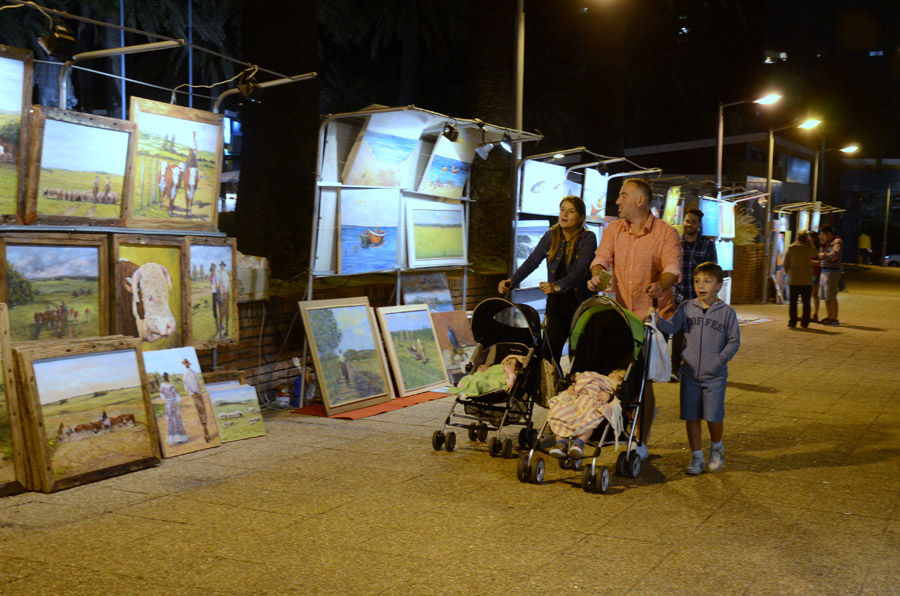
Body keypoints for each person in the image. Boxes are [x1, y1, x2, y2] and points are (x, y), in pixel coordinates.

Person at [586, 178, 682, 460]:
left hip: (653, 317)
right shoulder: (614, 229)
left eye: (623, 195)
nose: (617, 201)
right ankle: (604, 425)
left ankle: (641, 440)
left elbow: (672, 268)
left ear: (640, 200)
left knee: (643, 381)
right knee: (614, 374)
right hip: (621, 316)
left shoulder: (666, 233)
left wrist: (661, 286)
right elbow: (601, 257)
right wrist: (597, 274)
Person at [653, 262, 740, 474]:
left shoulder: (727, 313)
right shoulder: (686, 308)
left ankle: (717, 446)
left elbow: (733, 342)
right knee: (691, 415)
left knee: (713, 416)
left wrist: (719, 360)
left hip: (715, 377)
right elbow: (672, 327)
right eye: (697, 281)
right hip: (690, 373)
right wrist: (656, 319)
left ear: (719, 285)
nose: (701, 286)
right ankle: (696, 457)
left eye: (708, 282)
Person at [498, 196, 597, 364]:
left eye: (571, 211)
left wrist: (556, 286)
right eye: (562, 209)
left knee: (580, 353)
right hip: (557, 303)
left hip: (580, 302)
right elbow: (532, 261)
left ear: (580, 217)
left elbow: (581, 270)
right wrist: (512, 282)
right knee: (549, 352)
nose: (564, 214)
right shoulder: (551, 235)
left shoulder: (587, 238)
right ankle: (550, 387)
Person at [671, 207, 717, 380]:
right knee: (678, 333)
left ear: (699, 225)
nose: (689, 224)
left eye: (693, 222)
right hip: (680, 294)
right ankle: (675, 369)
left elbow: (713, 270)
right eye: (687, 220)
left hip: (699, 296)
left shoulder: (707, 244)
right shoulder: (675, 243)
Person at [783, 231, 818, 328]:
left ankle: (792, 322)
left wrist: (789, 272)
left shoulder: (791, 248)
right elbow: (816, 253)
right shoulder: (809, 248)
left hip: (793, 278)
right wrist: (810, 243)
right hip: (806, 278)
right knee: (806, 302)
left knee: (793, 302)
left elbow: (785, 263)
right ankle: (805, 322)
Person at [447, 355, 523, 396]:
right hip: (484, 377)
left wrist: (506, 386)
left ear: (515, 369)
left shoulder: (511, 374)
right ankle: (462, 386)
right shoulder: (496, 367)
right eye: (507, 361)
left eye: (510, 363)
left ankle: (468, 391)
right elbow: (488, 372)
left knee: (478, 381)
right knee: (469, 377)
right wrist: (484, 369)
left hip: (490, 383)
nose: (507, 363)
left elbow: (508, 383)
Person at [818, 224, 843, 326]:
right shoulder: (826, 243)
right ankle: (829, 316)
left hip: (833, 271)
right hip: (824, 271)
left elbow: (835, 254)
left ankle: (834, 318)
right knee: (826, 296)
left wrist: (823, 255)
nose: (822, 236)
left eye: (823, 234)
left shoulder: (837, 241)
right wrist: (823, 245)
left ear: (829, 233)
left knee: (831, 295)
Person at [182, 358, 210, 443]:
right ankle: (206, 431)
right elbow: (199, 384)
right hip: (198, 394)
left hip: (194, 395)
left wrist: (192, 392)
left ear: (185, 365)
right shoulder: (194, 373)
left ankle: (205, 431)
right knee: (203, 411)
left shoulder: (185, 375)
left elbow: (186, 386)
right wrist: (197, 391)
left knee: (200, 412)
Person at [159, 372, 189, 445]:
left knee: (171, 420)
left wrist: (166, 399)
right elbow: (176, 395)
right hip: (173, 403)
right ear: (167, 378)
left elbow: (162, 396)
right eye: (169, 376)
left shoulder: (162, 387)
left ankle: (176, 438)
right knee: (176, 419)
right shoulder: (171, 386)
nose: (170, 378)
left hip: (169, 404)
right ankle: (178, 438)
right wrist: (180, 400)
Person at [809, 232, 822, 322]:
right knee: (810, 295)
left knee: (814, 294)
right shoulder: (809, 247)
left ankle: (815, 313)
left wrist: (810, 262)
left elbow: (820, 262)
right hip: (809, 272)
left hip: (815, 272)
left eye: (810, 238)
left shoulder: (818, 248)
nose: (809, 239)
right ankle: (809, 313)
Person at [217, 261, 231, 337]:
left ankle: (224, 326)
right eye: (221, 265)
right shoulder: (220, 274)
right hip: (222, 293)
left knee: (225, 310)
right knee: (222, 310)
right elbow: (220, 283)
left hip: (225, 293)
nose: (222, 267)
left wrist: (226, 292)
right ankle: (221, 324)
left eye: (223, 266)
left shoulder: (225, 274)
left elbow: (226, 284)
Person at [209, 263, 222, 337]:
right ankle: (217, 325)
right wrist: (212, 287)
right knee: (214, 309)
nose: (212, 272)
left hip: (217, 293)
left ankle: (221, 325)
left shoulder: (217, 275)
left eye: (213, 270)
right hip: (213, 293)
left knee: (220, 308)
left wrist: (216, 286)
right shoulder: (211, 276)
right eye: (211, 271)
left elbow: (219, 284)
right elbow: (211, 284)